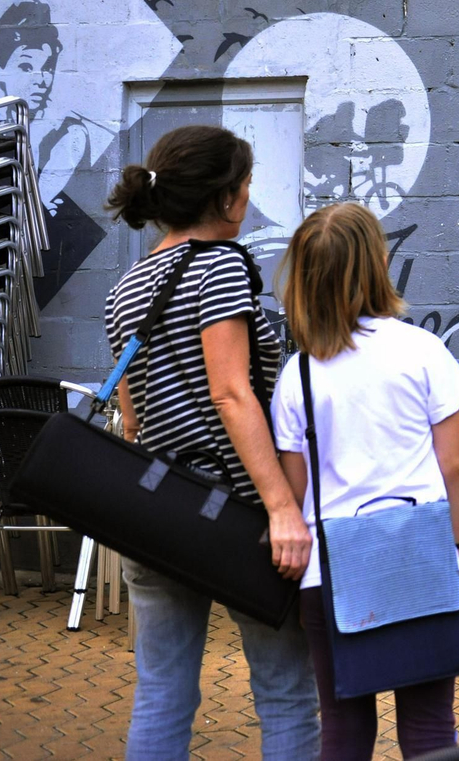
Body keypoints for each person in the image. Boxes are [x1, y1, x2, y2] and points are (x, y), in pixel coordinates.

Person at [103, 125, 319, 759]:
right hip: (234, 512)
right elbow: (232, 393)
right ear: (224, 198)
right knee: (284, 690)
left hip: (158, 508)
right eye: (246, 185)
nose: (248, 198)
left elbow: (134, 417)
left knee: (162, 692)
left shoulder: (127, 286)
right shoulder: (221, 265)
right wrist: (281, 506)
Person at [270, 203, 459, 761]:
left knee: (344, 725)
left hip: (333, 573)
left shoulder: (299, 375)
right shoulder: (422, 350)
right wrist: (450, 543)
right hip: (419, 558)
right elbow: (453, 466)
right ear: (377, 264)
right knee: (431, 725)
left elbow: (296, 490)